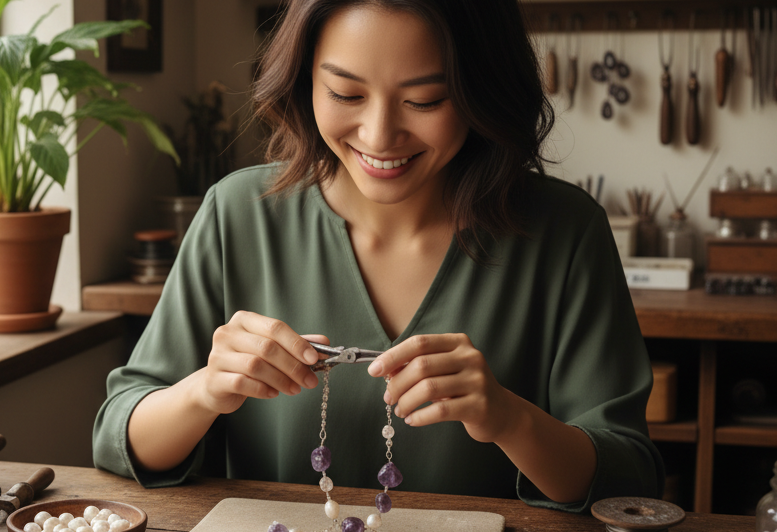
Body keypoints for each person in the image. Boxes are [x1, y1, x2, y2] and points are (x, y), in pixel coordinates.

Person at [93, 0, 664, 513]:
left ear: (482, 89)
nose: (380, 133)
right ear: (303, 80)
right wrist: (205, 389)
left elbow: (627, 479)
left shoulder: (565, 231)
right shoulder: (237, 213)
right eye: (345, 94)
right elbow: (119, 436)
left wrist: (508, 418)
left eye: (425, 100)